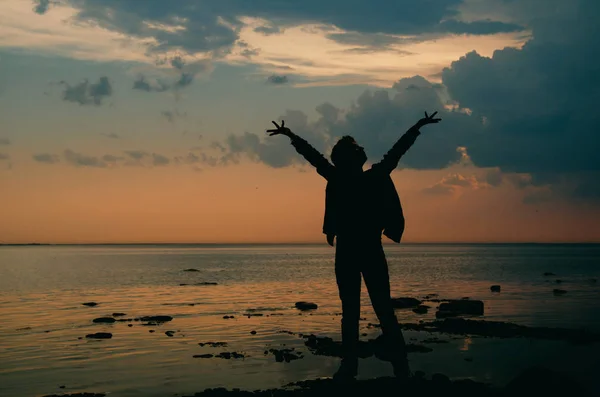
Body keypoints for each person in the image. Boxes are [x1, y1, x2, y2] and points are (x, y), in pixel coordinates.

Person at [267, 111, 441, 381]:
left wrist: (292, 136)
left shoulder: (341, 178)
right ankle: (397, 368)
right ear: (358, 158)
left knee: (353, 310)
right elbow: (396, 152)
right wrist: (417, 126)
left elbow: (314, 157)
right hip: (367, 250)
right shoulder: (372, 176)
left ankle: (354, 367)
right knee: (380, 308)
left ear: (341, 159)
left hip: (351, 250)